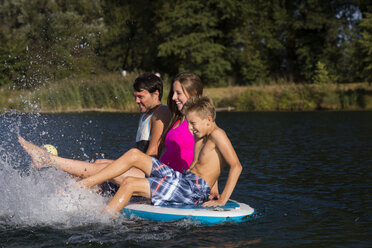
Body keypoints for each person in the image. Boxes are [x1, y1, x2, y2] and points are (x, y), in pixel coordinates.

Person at [18, 72, 206, 188]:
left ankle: (48, 160)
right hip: (154, 169)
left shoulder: (165, 113)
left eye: (178, 93)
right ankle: (65, 188)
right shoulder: (173, 117)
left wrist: (211, 186)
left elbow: (154, 153)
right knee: (100, 164)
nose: (173, 97)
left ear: (155, 94)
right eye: (173, 93)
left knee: (101, 169)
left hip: (156, 173)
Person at [74, 96, 242, 214]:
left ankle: (103, 221)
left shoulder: (218, 135)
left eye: (193, 123)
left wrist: (222, 200)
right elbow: (207, 165)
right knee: (134, 154)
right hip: (183, 179)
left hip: (192, 190)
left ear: (208, 119)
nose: (190, 128)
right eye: (189, 123)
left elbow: (236, 166)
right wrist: (214, 189)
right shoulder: (202, 134)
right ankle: (87, 183)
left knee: (130, 183)